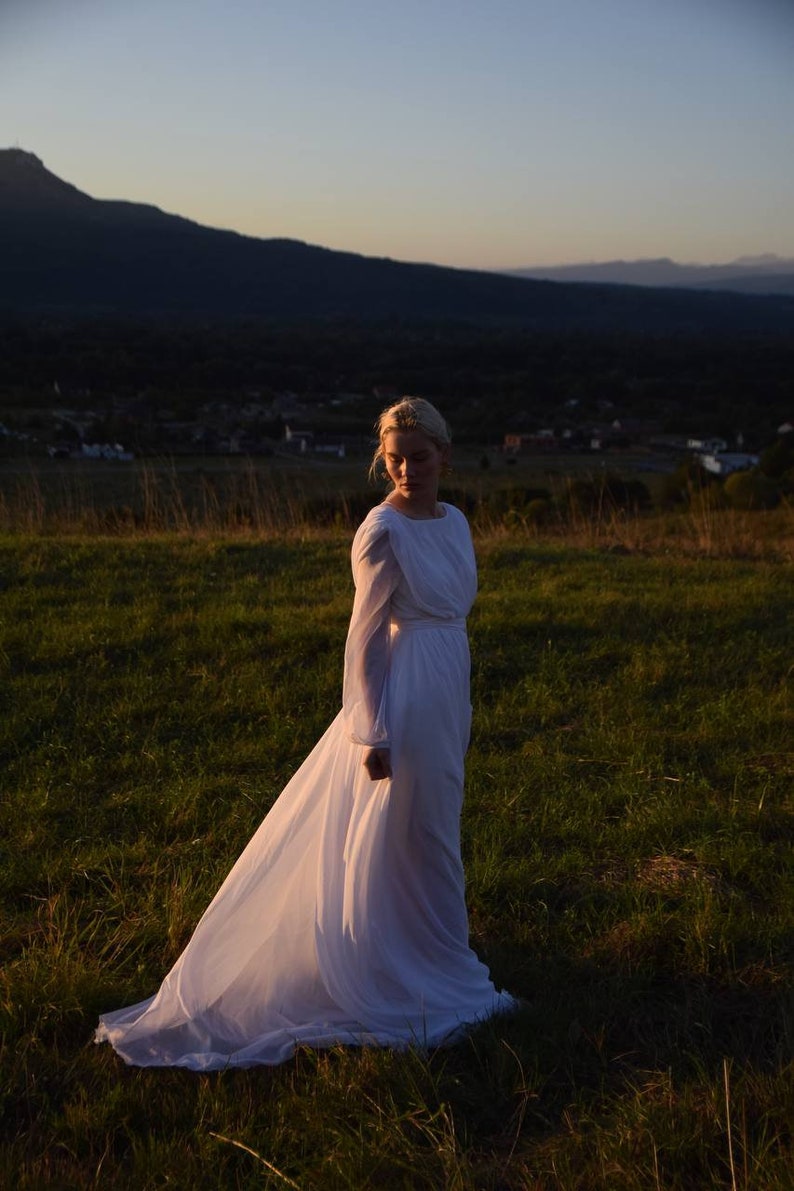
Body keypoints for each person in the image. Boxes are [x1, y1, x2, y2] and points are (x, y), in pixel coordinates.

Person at [95, 397, 515, 1070]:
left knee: (436, 820)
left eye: (419, 455)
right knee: (399, 827)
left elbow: (453, 614)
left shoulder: (457, 521)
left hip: (447, 686)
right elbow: (365, 635)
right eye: (395, 457)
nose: (407, 468)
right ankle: (385, 955)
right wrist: (371, 728)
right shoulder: (381, 531)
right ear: (386, 460)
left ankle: (434, 944)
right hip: (402, 694)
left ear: (445, 457)